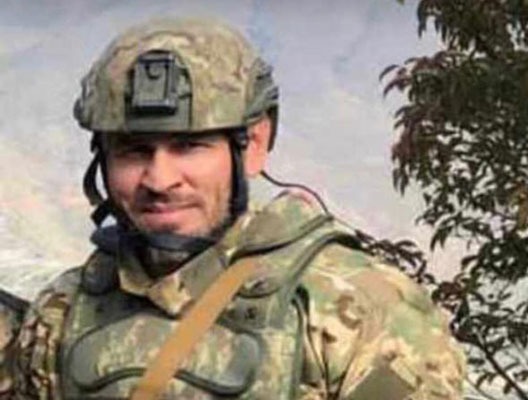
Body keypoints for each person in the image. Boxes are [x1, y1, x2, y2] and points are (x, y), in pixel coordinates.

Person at [0, 18, 465, 399]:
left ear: (254, 145)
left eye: (189, 146)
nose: (159, 180)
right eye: (133, 151)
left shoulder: (356, 309)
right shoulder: (64, 312)